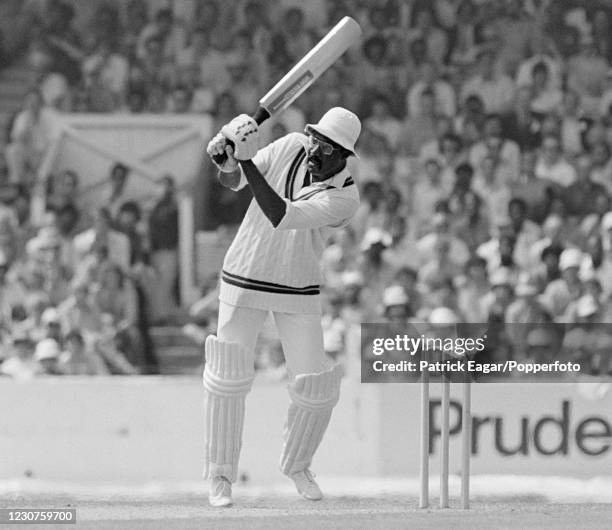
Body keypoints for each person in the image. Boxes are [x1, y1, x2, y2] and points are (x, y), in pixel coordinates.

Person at [204, 107, 361, 507]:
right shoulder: (293, 144)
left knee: (318, 386)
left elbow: (281, 214)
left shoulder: (345, 197)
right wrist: (226, 158)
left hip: (297, 285)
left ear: (343, 155)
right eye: (314, 140)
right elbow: (237, 181)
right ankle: (220, 476)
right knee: (227, 377)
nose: (313, 150)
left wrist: (243, 159)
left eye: (325, 148)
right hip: (244, 273)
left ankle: (298, 465)